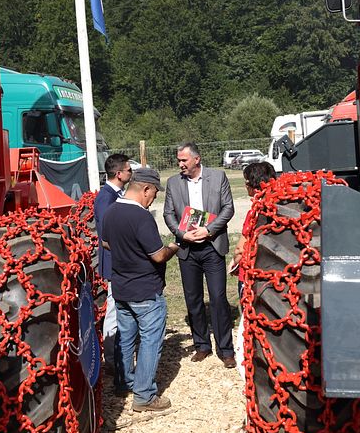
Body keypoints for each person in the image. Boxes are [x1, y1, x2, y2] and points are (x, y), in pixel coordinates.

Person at [101, 168, 179, 412]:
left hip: (121, 287)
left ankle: (124, 382)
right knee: (149, 341)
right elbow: (158, 256)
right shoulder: (141, 217)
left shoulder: (112, 210)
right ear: (145, 189)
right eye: (154, 192)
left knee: (125, 337)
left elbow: (105, 242)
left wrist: (127, 252)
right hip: (145, 289)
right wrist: (175, 246)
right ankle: (145, 396)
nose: (154, 197)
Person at [163, 142, 236, 368]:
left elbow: (228, 208)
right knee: (193, 300)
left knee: (218, 298)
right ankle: (201, 345)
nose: (180, 164)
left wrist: (209, 229)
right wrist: (182, 234)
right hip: (188, 250)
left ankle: (225, 349)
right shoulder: (173, 183)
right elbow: (168, 213)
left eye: (184, 160)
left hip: (212, 246)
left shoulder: (218, 177)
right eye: (178, 161)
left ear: (196, 159)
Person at [228, 162, 277, 380]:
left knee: (250, 319)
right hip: (273, 276)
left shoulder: (256, 211)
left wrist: (236, 260)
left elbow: (242, 247)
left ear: (250, 185)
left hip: (250, 276)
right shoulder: (279, 204)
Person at [93, 153, 131, 373]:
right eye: (128, 170)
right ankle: (112, 358)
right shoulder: (106, 198)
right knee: (115, 309)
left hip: (118, 260)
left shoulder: (113, 194)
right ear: (119, 174)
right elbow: (108, 235)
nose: (130, 173)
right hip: (115, 262)